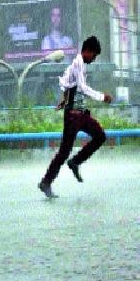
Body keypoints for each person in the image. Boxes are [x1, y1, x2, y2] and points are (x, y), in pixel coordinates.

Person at [38, 36, 113, 198]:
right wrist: (102, 97)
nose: (94, 59)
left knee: (100, 136)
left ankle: (74, 162)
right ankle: (47, 181)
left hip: (79, 114)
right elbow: (82, 87)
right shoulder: (78, 62)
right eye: (94, 56)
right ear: (87, 51)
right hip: (73, 116)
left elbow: (67, 83)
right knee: (64, 152)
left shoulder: (78, 65)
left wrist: (64, 99)